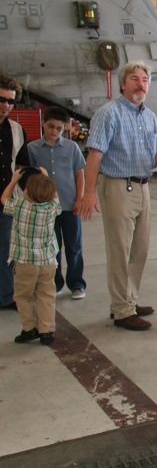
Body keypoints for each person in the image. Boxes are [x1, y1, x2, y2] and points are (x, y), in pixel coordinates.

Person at [77, 61, 157, 331]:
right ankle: (122, 310)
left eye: (145, 79)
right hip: (118, 187)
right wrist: (88, 193)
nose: (141, 83)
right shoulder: (108, 114)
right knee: (119, 249)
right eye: (135, 78)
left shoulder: (151, 117)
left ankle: (128, 300)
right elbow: (94, 155)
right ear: (123, 84)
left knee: (139, 249)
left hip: (144, 187)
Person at [27, 106, 87, 300]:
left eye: (59, 128)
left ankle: (77, 284)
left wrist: (80, 199)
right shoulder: (32, 148)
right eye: (50, 126)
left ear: (65, 128)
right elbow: (30, 177)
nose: (54, 131)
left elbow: (79, 174)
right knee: (53, 248)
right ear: (43, 123)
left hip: (70, 206)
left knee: (74, 246)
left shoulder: (71, 148)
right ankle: (56, 282)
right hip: (46, 208)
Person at [2, 169, 61, 345]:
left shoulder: (20, 206)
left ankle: (29, 329)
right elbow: (55, 195)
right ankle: (47, 331)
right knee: (46, 295)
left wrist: (13, 181)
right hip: (47, 262)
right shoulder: (52, 208)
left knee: (23, 296)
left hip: (24, 263)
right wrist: (46, 176)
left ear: (26, 191)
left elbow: (3, 198)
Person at [0, 74, 31, 310]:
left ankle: (6, 296)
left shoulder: (17, 130)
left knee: (6, 251)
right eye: (1, 100)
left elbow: (22, 166)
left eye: (10, 101)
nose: (6, 106)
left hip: (6, 201)